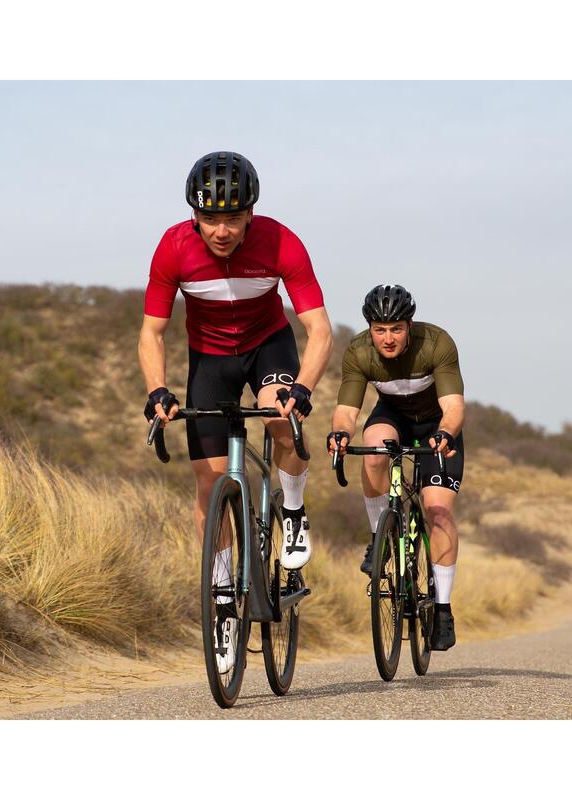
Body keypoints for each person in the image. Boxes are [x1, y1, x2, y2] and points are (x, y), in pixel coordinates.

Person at [138, 151, 333, 671]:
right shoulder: (173, 248)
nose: (221, 230)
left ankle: (291, 508)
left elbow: (319, 330)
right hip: (209, 359)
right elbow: (152, 332)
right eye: (210, 218)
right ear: (194, 216)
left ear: (251, 213)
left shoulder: (281, 242)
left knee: (277, 417)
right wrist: (157, 391)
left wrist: (304, 389)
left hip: (269, 346)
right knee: (208, 484)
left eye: (232, 217)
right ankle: (223, 597)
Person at [327, 284, 464, 650]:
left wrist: (446, 434)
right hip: (393, 417)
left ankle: (444, 607)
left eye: (396, 329)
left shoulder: (436, 343)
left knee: (437, 511)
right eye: (380, 329)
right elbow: (347, 411)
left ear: (410, 325)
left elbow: (453, 406)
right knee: (373, 453)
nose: (387, 338)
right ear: (370, 328)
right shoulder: (358, 351)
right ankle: (380, 538)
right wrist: (339, 433)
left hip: (436, 424)